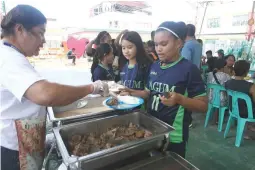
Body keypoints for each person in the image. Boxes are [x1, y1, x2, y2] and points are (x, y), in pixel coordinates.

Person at [0, 5, 108, 170]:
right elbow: (45, 93)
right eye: (40, 33)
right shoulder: (8, 59)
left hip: (23, 142)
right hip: (13, 149)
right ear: (20, 29)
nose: (43, 40)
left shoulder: (13, 55)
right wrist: (91, 88)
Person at [120, 21, 207, 158]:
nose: (158, 49)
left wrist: (179, 99)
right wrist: (130, 91)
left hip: (174, 134)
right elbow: (148, 93)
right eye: (156, 44)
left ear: (178, 43)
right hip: (151, 129)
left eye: (164, 44)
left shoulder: (189, 69)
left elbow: (203, 105)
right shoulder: (154, 66)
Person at [225, 60, 255, 138]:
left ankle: (249, 126)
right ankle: (250, 126)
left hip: (232, 110)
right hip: (247, 113)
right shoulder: (251, 86)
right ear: (246, 72)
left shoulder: (228, 83)